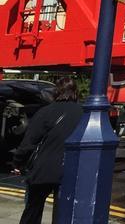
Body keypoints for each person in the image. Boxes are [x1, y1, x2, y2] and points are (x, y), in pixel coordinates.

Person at [12, 77, 82, 224]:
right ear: (75, 92)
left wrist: (18, 163)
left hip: (44, 170)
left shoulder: (45, 112)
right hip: (72, 170)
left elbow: (28, 143)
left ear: (56, 92)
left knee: (32, 210)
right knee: (63, 213)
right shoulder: (83, 113)